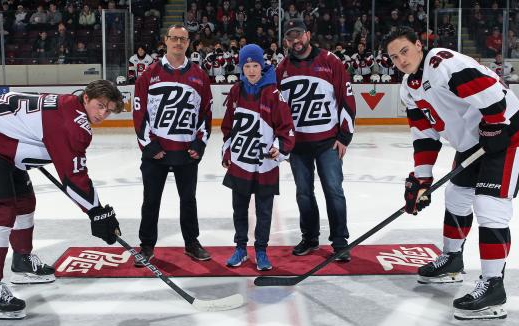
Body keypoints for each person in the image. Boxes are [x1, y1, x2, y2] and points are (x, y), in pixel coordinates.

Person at [382, 27, 519, 320]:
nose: (401, 60)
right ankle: (452, 259)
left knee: (490, 206)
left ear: (418, 45)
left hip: (508, 133)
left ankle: (493, 286)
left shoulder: (443, 63)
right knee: (456, 197)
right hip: (476, 140)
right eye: (394, 57)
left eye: (404, 51)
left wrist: (494, 124)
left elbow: (490, 90)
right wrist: (422, 178)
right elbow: (424, 134)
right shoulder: (409, 87)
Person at [0, 80, 125, 319]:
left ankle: (22, 261)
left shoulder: (68, 105)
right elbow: (74, 178)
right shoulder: (74, 125)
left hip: (0, 131)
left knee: (24, 200)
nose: (103, 113)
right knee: (0, 211)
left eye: (109, 110)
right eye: (100, 105)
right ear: (85, 98)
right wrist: (97, 213)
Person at [133, 25, 213, 267]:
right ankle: (146, 246)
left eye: (183, 39)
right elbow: (139, 113)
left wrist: (199, 143)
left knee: (188, 199)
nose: (178, 42)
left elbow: (206, 114)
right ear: (165, 41)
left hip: (186, 151)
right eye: (174, 38)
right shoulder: (148, 74)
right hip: (156, 152)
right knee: (151, 200)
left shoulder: (200, 75)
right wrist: (149, 145)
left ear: (188, 43)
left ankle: (191, 243)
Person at [277, 18, 356, 262]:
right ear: (285, 41)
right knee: (303, 193)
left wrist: (344, 137)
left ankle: (340, 242)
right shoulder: (281, 69)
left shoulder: (331, 62)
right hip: (298, 146)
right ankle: (310, 238)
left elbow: (347, 99)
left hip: (327, 143)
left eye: (298, 35)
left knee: (333, 190)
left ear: (308, 35)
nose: (295, 41)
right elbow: (277, 109)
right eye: (290, 37)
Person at [221, 44, 295, 270]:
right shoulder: (236, 91)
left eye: (255, 66)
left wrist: (279, 148)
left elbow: (287, 129)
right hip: (241, 162)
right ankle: (241, 248)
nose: (251, 70)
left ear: (262, 67)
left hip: (265, 164)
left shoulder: (274, 93)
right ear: (241, 67)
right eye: (247, 66)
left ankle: (261, 250)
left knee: (264, 210)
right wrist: (227, 150)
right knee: (239, 208)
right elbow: (228, 126)